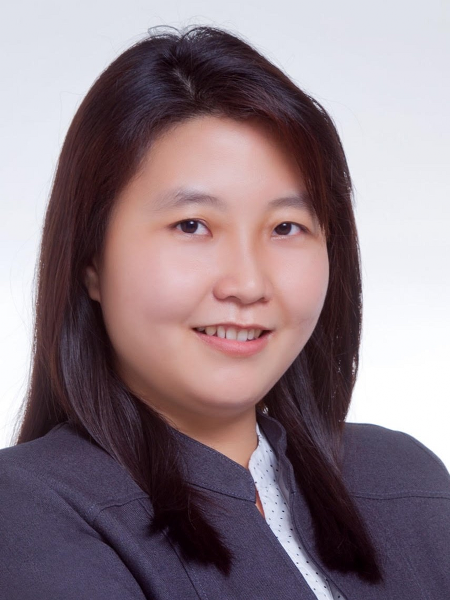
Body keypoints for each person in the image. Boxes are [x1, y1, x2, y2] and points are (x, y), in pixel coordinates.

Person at [0, 25, 449, 600]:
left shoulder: (408, 481)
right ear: (91, 259)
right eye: (192, 225)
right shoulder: (28, 512)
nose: (248, 283)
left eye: (286, 227)